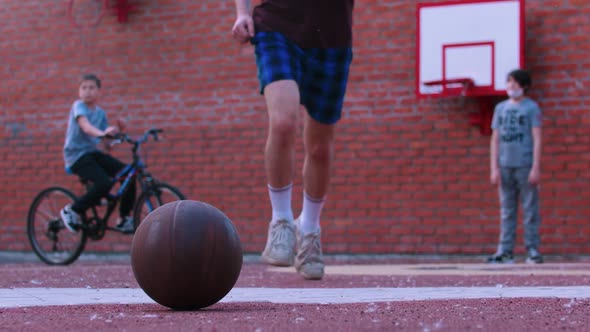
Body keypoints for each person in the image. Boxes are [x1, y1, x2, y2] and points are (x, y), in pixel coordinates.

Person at [231, 0, 355, 280]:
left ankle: (309, 230)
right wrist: (242, 13)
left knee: (320, 148)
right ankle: (281, 220)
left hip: (332, 38)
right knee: (284, 122)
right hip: (277, 25)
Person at [60, 74, 136, 234]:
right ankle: (72, 210)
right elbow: (86, 127)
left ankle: (123, 218)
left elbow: (106, 146)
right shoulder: (78, 106)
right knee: (104, 183)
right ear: (79, 91)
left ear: (98, 92)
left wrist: (118, 132)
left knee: (129, 173)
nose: (87, 91)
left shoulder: (100, 113)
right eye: (84, 87)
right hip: (76, 156)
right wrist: (103, 133)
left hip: (93, 154)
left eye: (91, 87)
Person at [488, 69, 543, 264]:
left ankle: (533, 249)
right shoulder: (500, 109)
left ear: (524, 86)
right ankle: (505, 250)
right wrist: (494, 168)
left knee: (530, 209)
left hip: (525, 165)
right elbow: (495, 140)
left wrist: (535, 167)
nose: (511, 86)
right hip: (505, 165)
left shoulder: (532, 108)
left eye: (515, 83)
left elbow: (537, 138)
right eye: (508, 82)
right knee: (507, 210)